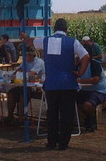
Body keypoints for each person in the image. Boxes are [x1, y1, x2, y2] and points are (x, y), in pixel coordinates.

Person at [21, 18, 89, 151]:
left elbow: (30, 42)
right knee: (66, 114)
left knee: (52, 113)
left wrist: (24, 36)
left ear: (54, 29)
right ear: (66, 29)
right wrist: (80, 72)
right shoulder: (73, 42)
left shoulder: (45, 40)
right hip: (68, 83)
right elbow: (86, 56)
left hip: (52, 83)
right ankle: (63, 143)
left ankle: (51, 141)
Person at [5, 47, 45, 123]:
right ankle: (10, 116)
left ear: (32, 55)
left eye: (27, 55)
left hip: (36, 87)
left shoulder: (39, 62)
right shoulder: (25, 62)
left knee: (23, 94)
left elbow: (33, 73)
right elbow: (18, 70)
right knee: (11, 93)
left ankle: (22, 117)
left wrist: (22, 73)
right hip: (24, 85)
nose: (25, 57)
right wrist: (18, 72)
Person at [76, 57, 106, 132]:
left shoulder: (94, 64)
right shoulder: (78, 65)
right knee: (70, 102)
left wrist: (80, 80)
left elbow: (95, 80)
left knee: (88, 105)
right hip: (84, 90)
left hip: (99, 91)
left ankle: (91, 119)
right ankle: (86, 119)